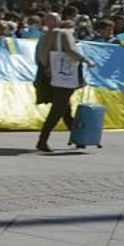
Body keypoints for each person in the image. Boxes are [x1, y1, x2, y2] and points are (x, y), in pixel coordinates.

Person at [35, 12, 89, 153]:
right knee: (58, 109)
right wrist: (86, 60)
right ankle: (42, 140)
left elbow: (37, 58)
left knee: (65, 109)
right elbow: (71, 51)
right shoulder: (64, 33)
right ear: (58, 21)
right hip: (64, 77)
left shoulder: (43, 37)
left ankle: (79, 139)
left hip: (48, 76)